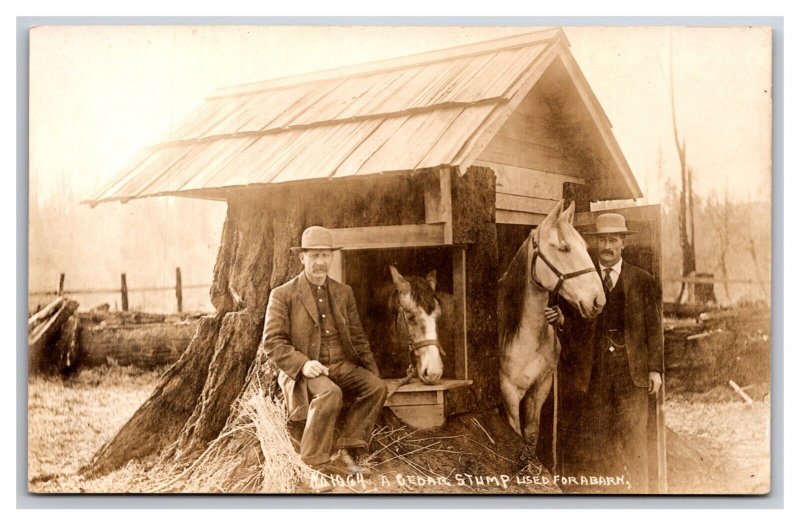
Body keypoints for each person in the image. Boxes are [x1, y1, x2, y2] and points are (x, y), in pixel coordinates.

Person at [545, 213, 664, 492]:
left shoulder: (643, 280)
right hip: (595, 373)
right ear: (595, 243)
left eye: (613, 240)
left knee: (634, 441)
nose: (607, 246)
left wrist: (655, 369)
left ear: (623, 243)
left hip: (632, 373)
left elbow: (654, 328)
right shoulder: (581, 279)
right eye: (602, 240)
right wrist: (563, 321)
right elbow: (576, 329)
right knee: (601, 441)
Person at [261, 225, 387, 477]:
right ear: (302, 257)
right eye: (314, 255)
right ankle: (312, 465)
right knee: (330, 393)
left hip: (341, 365)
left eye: (325, 255)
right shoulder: (283, 295)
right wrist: (303, 364)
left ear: (332, 257)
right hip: (305, 371)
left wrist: (375, 374)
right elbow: (272, 341)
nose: (320, 262)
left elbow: (358, 338)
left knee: (376, 387)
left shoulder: (343, 292)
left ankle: (346, 449)